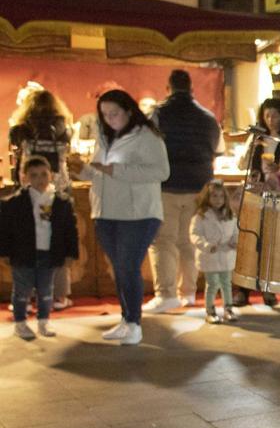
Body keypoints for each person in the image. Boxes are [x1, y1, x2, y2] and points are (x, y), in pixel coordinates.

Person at [67, 89, 170, 347]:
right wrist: (82, 171)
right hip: (105, 212)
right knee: (119, 268)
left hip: (138, 213)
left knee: (128, 266)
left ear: (128, 111)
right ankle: (126, 319)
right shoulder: (105, 137)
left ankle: (134, 323)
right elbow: (98, 173)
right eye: (104, 114)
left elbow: (161, 172)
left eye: (114, 113)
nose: (109, 119)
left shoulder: (147, 136)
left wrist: (115, 169)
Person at [144, 69, 223, 313]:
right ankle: (188, 292)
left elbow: (146, 148)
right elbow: (218, 149)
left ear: (168, 89)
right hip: (199, 186)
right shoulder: (208, 118)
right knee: (190, 240)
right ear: (192, 89)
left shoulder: (157, 114)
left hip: (166, 184)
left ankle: (166, 294)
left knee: (163, 241)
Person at [9, 88, 74, 310]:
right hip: (57, 192)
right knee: (57, 243)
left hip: (29, 193)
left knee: (26, 243)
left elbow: (15, 150)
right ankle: (58, 296)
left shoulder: (21, 128)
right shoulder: (64, 128)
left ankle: (25, 297)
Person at [0, 156, 78, 339]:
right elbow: (4, 230)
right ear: (25, 177)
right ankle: (20, 322)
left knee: (46, 289)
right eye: (33, 175)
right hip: (23, 253)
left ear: (51, 175)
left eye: (44, 174)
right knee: (22, 290)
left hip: (49, 253)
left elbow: (70, 230)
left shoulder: (62, 202)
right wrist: (4, 252)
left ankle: (44, 320)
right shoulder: (13, 203)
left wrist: (71, 253)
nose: (40, 179)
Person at [234, 98, 280, 307]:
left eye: (275, 115)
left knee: (269, 243)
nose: (271, 119)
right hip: (255, 194)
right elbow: (242, 164)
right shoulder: (258, 139)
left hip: (275, 197)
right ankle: (244, 288)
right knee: (250, 241)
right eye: (267, 115)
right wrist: (251, 144)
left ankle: (268, 288)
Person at [189, 180, 238, 324]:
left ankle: (228, 309)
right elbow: (195, 234)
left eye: (221, 196)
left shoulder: (230, 215)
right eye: (214, 196)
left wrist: (235, 241)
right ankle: (210, 311)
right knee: (212, 284)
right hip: (210, 256)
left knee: (226, 284)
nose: (218, 200)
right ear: (207, 198)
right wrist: (206, 245)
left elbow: (236, 231)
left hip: (226, 255)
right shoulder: (201, 216)